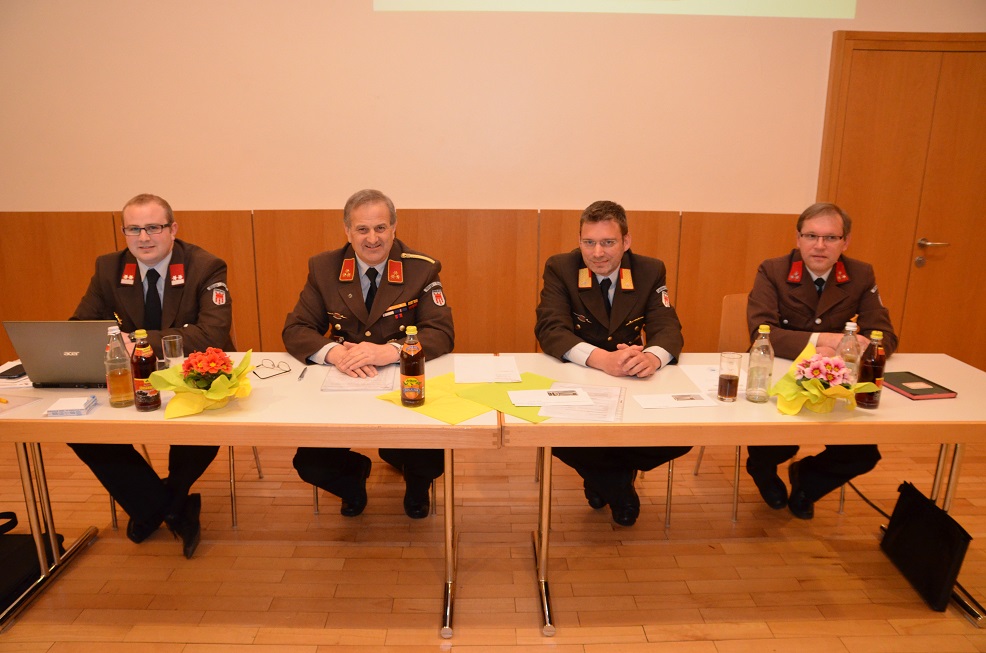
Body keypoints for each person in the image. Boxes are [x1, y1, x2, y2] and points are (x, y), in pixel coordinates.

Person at [70, 193, 234, 558]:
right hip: (129, 377)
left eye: (153, 227)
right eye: (134, 229)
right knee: (82, 430)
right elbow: (81, 327)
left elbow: (212, 334)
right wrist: (123, 347)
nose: (143, 238)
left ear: (173, 229)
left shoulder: (205, 266)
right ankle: (164, 506)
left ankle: (161, 503)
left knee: (201, 423)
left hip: (194, 374)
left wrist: (137, 342)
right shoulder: (109, 268)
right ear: (124, 233)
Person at [283, 189, 454, 519]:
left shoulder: (421, 269)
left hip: (403, 382)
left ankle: (417, 487)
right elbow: (296, 329)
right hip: (344, 381)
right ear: (347, 231)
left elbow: (441, 332)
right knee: (311, 464)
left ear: (394, 228)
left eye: (380, 228)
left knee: (430, 460)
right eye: (362, 229)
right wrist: (334, 353)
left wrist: (389, 351)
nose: (372, 238)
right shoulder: (324, 268)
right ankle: (353, 480)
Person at [534, 200, 691, 526]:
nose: (597, 253)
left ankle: (601, 477)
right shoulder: (561, 267)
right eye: (588, 242)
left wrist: (652, 358)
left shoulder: (649, 270)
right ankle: (619, 487)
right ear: (579, 241)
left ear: (626, 241)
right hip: (579, 378)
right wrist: (602, 359)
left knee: (683, 434)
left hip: (633, 381)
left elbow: (666, 327)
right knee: (555, 434)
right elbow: (551, 329)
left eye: (608, 242)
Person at [745, 201, 897, 519]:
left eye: (830, 238)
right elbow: (762, 333)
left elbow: (884, 336)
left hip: (837, 382)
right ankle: (762, 472)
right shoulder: (773, 270)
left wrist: (857, 347)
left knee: (862, 455)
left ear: (845, 242)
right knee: (774, 445)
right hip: (782, 378)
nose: (819, 245)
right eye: (811, 235)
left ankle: (808, 481)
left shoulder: (860, 274)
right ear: (798, 238)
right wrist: (825, 341)